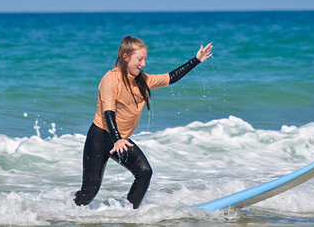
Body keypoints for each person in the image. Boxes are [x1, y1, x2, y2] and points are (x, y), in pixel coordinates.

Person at [74, 36, 213, 209]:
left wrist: (196, 60)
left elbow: (171, 77)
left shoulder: (142, 80)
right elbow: (108, 111)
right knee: (89, 191)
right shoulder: (110, 80)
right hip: (100, 137)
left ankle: (128, 212)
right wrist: (117, 139)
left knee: (144, 172)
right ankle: (64, 213)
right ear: (126, 57)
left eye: (145, 59)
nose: (144, 64)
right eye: (140, 59)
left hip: (120, 139)